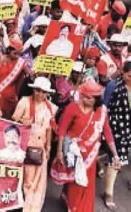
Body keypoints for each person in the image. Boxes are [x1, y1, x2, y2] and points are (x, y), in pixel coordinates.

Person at [52, 82, 120, 212]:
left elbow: (107, 133)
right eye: (84, 96)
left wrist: (115, 154)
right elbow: (62, 130)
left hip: (90, 154)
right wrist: (59, 151)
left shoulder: (102, 112)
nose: (84, 99)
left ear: (96, 100)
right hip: (73, 151)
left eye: (89, 98)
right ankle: (70, 203)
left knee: (83, 182)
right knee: (74, 181)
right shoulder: (72, 108)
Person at [12, 76, 57, 212]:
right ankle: (24, 203)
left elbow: (49, 129)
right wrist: (22, 121)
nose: (40, 94)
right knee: (27, 178)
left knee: (39, 180)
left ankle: (33, 207)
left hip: (41, 145)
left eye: (44, 92)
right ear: (33, 90)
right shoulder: (24, 102)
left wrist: (48, 147)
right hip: (26, 143)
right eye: (38, 90)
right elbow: (14, 119)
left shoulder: (50, 107)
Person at [103, 62, 131, 210]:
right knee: (114, 159)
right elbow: (104, 108)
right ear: (123, 73)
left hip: (128, 128)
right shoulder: (112, 86)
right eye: (129, 76)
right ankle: (109, 193)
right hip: (114, 127)